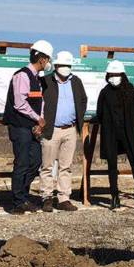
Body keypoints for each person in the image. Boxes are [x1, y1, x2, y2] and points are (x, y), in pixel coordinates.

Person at [2, 39, 52, 214]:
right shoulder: (22, 75)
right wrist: (38, 118)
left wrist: (40, 120)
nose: (48, 63)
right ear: (42, 59)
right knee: (22, 163)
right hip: (20, 127)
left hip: (31, 127)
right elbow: (19, 103)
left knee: (35, 162)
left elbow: (40, 102)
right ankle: (17, 202)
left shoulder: (37, 79)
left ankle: (22, 196)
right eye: (48, 59)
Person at [94, 60, 134, 211]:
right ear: (107, 75)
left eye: (117, 74)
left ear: (122, 75)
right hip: (110, 133)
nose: (114, 77)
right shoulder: (105, 92)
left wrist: (127, 122)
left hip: (128, 132)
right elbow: (100, 112)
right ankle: (114, 196)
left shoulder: (131, 90)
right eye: (111, 74)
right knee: (112, 165)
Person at [39, 50, 86, 212]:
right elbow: (38, 102)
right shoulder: (46, 81)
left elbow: (82, 100)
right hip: (51, 129)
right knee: (47, 165)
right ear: (56, 65)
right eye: (63, 65)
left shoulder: (76, 81)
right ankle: (47, 197)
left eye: (68, 65)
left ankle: (64, 198)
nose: (65, 68)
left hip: (70, 129)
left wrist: (78, 119)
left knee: (66, 166)